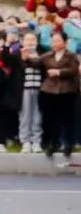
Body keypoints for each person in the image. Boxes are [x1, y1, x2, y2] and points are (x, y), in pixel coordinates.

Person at [29, 29, 79, 163]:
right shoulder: (48, 55)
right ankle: (53, 143)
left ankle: (68, 144)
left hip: (67, 91)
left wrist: (59, 72)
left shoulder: (71, 56)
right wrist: (27, 57)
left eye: (58, 41)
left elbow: (74, 70)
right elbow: (36, 63)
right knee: (51, 119)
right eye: (53, 41)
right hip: (49, 91)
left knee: (68, 119)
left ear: (65, 42)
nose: (55, 43)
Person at [17, 31, 43, 152]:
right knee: (25, 115)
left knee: (37, 115)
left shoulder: (41, 54)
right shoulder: (19, 54)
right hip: (24, 89)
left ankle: (36, 141)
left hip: (39, 88)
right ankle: (25, 141)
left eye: (32, 39)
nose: (30, 42)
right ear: (23, 41)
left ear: (36, 41)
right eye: (27, 40)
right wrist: (23, 59)